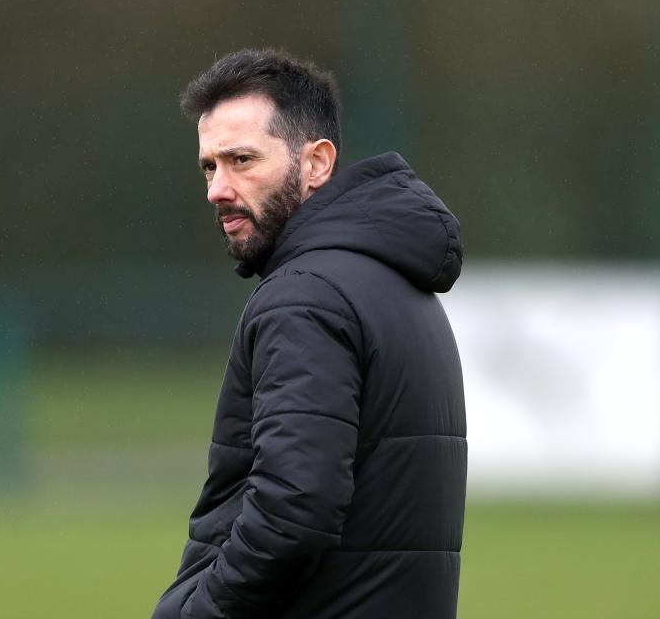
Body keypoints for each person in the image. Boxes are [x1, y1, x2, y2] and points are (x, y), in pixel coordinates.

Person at [152, 49, 466, 619]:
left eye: (242, 160)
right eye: (209, 166)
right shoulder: (395, 281)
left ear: (317, 161)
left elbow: (292, 512)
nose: (217, 189)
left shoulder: (307, 296)